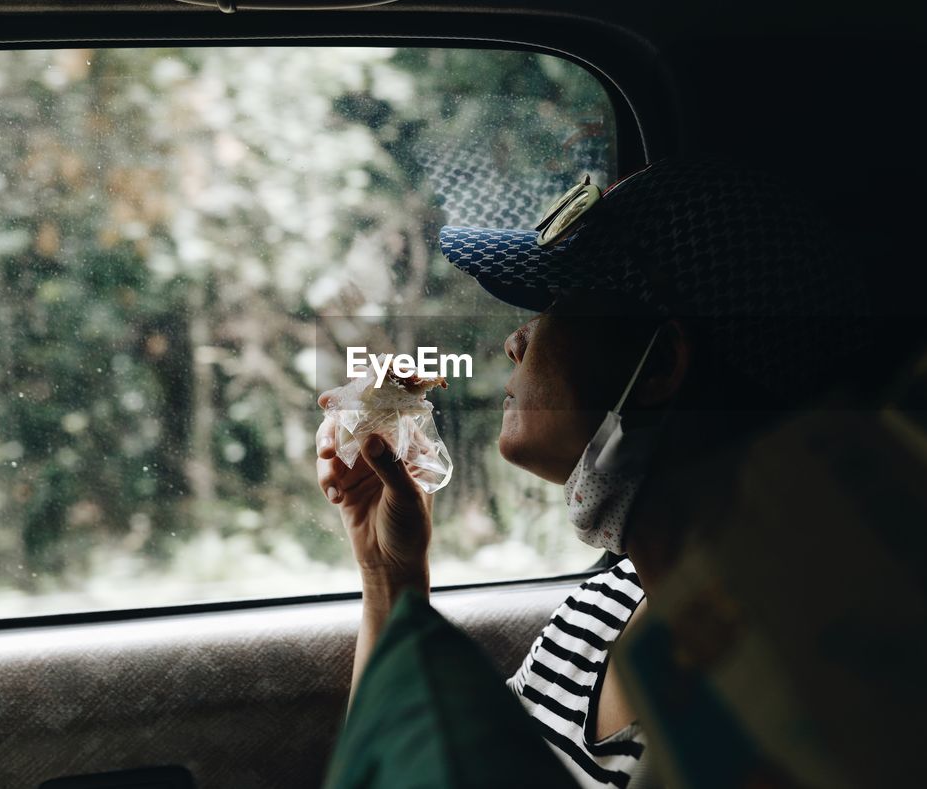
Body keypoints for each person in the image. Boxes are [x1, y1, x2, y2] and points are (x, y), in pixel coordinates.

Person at [316, 156, 869, 788]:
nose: (515, 343)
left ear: (659, 363)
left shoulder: (780, 705)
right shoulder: (598, 612)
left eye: (556, 303)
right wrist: (389, 575)